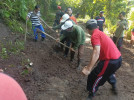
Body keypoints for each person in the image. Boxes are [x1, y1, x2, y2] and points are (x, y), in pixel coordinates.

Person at [82, 19, 122, 100]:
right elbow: (99, 53)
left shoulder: (94, 36)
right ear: (96, 26)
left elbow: (96, 52)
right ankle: (113, 85)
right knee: (108, 73)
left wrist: (88, 69)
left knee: (94, 76)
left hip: (110, 60)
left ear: (88, 29)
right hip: (118, 59)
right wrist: (91, 65)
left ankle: (91, 93)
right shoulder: (100, 33)